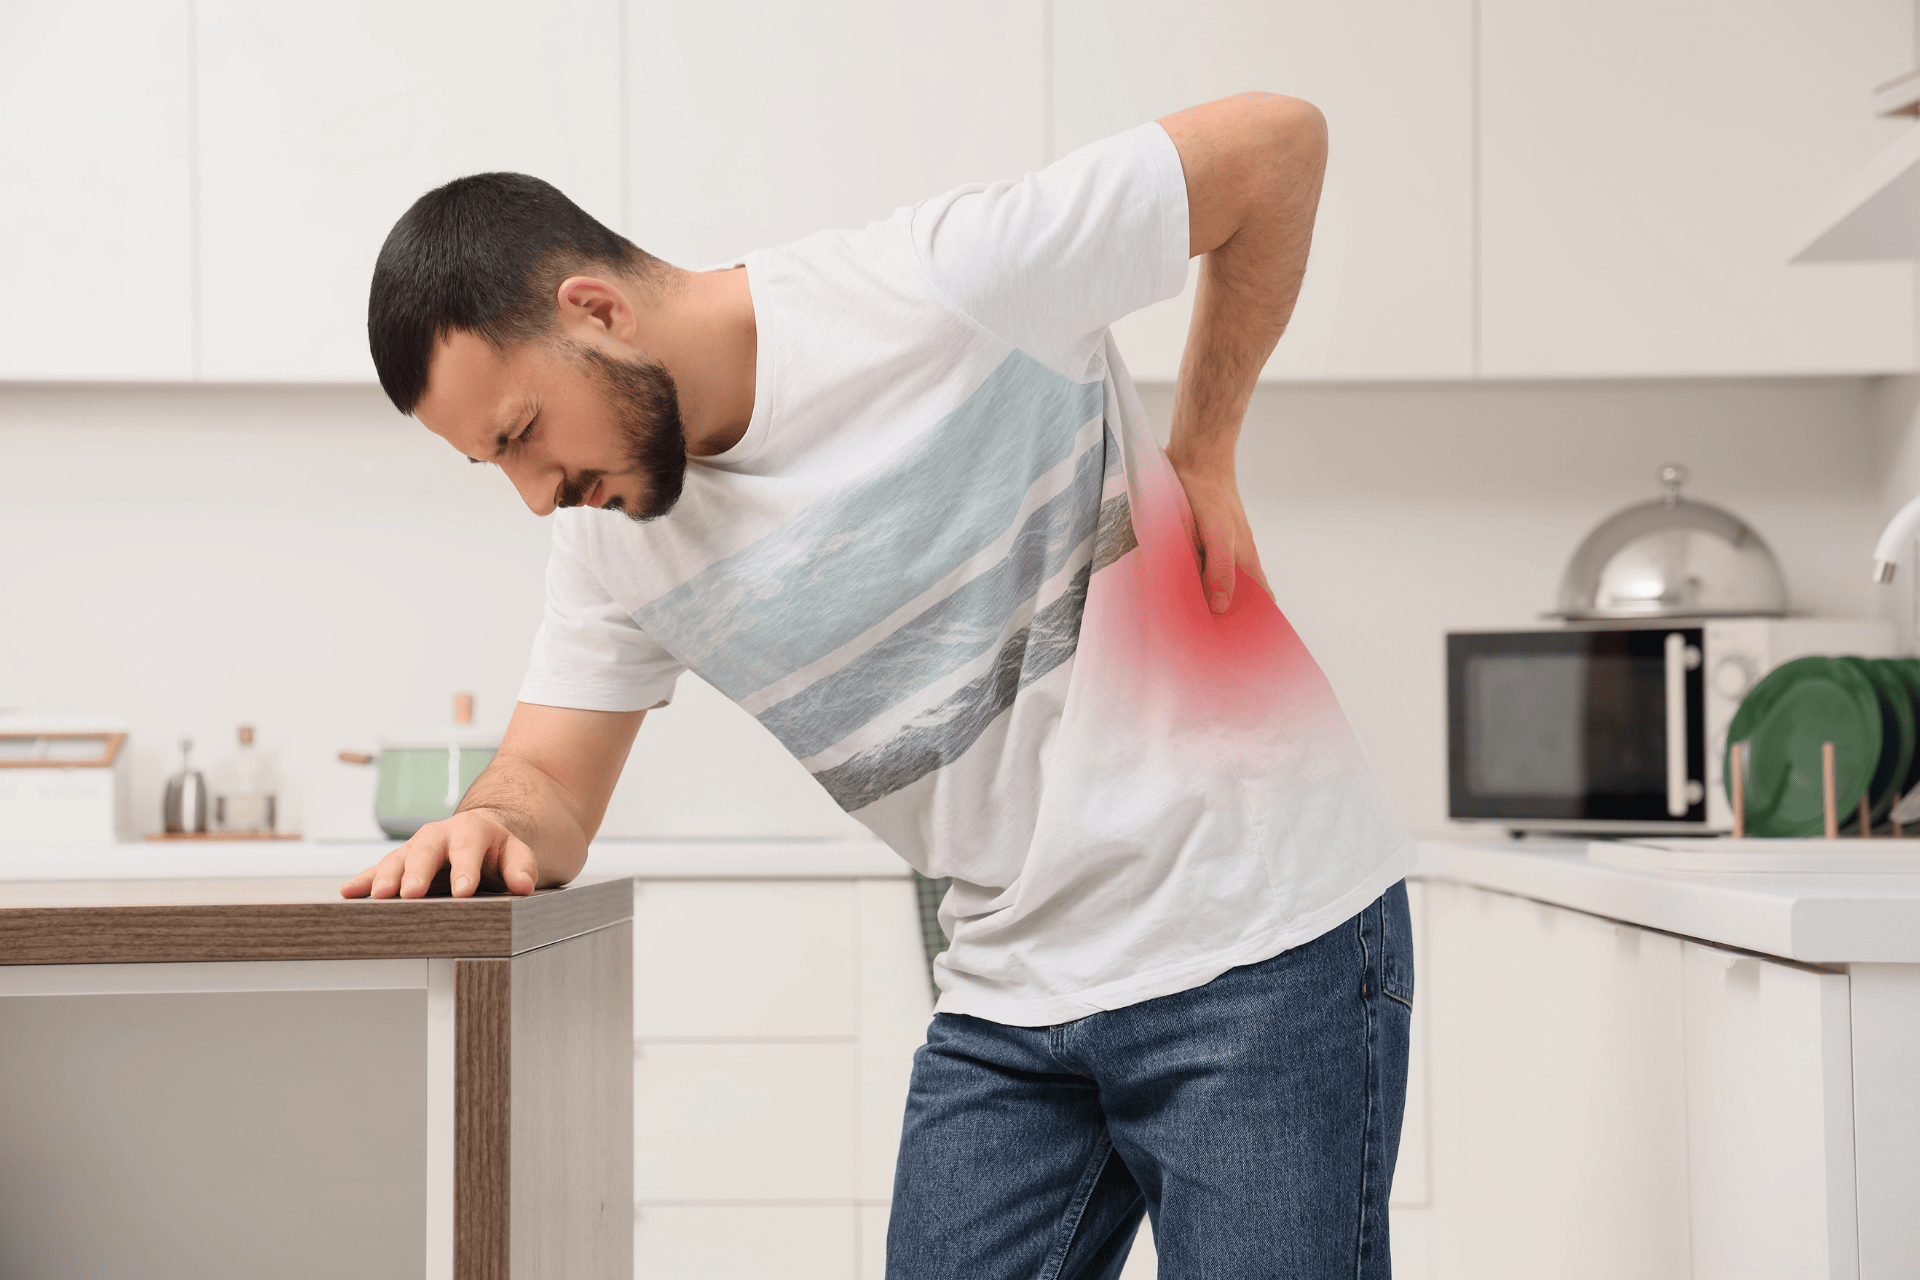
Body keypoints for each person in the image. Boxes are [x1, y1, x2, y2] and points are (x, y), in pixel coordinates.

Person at [346, 91, 1415, 1280]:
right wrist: (488, 823)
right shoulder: (614, 541)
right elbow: (548, 779)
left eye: (524, 433)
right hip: (1013, 982)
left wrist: (1204, 444)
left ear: (593, 310)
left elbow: (1277, 148)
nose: (535, 492)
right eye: (497, 465)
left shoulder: (937, 287)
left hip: (1254, 934)